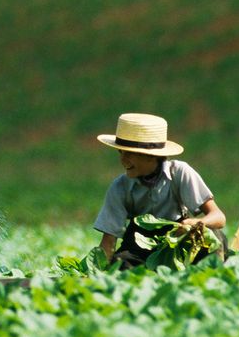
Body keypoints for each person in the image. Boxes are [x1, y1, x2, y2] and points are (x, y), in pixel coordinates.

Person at [93, 113, 226, 269]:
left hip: (180, 236)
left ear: (151, 156)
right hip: (139, 242)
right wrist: (96, 272)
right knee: (122, 266)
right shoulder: (119, 187)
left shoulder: (180, 173)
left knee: (214, 237)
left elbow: (218, 217)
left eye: (129, 154)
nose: (123, 159)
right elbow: (109, 240)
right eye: (121, 152)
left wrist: (196, 223)